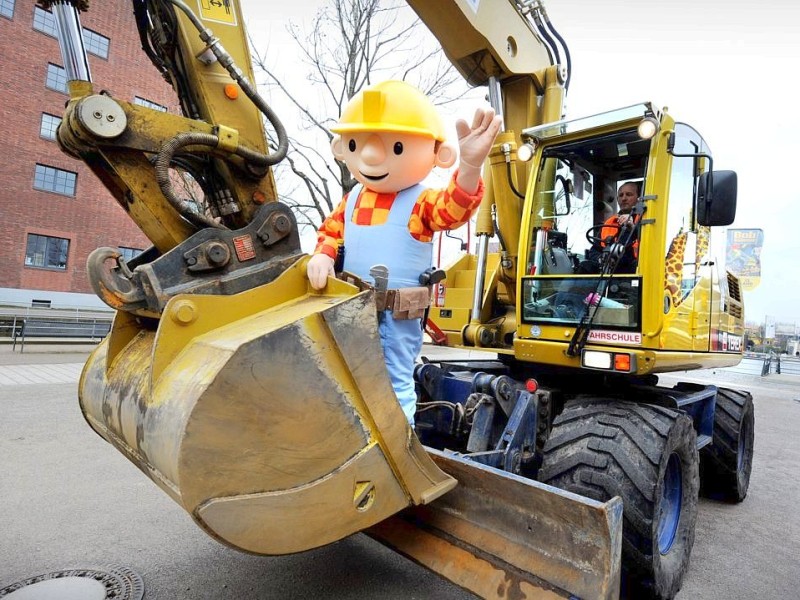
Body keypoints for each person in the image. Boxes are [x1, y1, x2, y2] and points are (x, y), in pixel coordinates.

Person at [306, 80, 502, 426]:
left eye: (396, 146)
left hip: (398, 316)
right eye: (357, 144)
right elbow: (332, 232)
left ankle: (399, 450)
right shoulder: (352, 199)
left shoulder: (420, 202)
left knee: (394, 381)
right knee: (348, 376)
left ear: (438, 154)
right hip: (351, 309)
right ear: (342, 147)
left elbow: (451, 210)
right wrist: (322, 254)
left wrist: (470, 169)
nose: (370, 155)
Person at [599, 181, 642, 272]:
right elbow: (595, 250)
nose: (624, 198)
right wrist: (602, 259)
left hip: (633, 274)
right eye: (621, 195)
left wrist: (632, 228)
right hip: (609, 274)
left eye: (629, 194)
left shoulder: (644, 221)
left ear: (639, 198)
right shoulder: (609, 223)